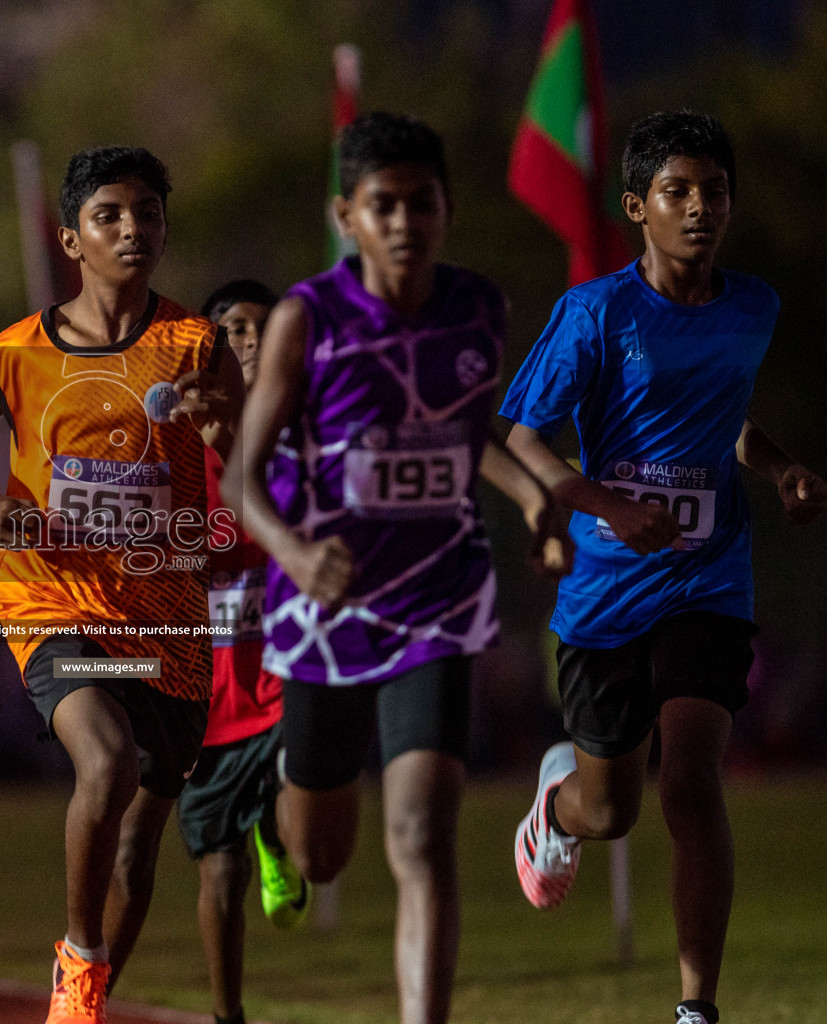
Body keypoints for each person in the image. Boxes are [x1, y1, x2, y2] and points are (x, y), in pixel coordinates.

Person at [222, 112, 570, 1024]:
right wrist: (296, 552)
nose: (406, 221)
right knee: (323, 856)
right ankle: (278, 813)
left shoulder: (478, 309)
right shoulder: (308, 320)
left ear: (449, 210)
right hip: (324, 610)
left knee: (422, 836)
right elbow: (241, 481)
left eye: (423, 203)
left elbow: (459, 435)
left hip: (438, 602)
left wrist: (533, 498)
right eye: (384, 205)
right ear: (348, 215)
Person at [500, 110, 827, 1024]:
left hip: (708, 578)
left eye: (714, 191)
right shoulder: (596, 312)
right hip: (608, 591)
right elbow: (523, 437)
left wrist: (780, 467)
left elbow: (726, 416)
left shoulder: (753, 306)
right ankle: (556, 811)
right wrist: (604, 505)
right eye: (677, 192)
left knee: (689, 782)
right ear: (637, 205)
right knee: (615, 809)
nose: (699, 208)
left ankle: (695, 1011)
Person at [0, 146, 244, 1024]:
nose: (132, 229)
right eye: (110, 215)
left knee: (137, 849)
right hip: (52, 603)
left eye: (147, 213)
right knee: (104, 762)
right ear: (73, 238)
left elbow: (252, 455)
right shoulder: (20, 348)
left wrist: (219, 422)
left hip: (166, 626)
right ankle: (76, 962)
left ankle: (95, 980)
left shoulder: (194, 344)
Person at [176, 280, 303, 1024]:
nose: (248, 341)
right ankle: (229, 1015)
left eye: (261, 327)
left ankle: (277, 840)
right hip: (208, 703)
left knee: (300, 829)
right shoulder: (177, 457)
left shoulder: (299, 441)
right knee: (217, 878)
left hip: (287, 683)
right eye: (231, 330)